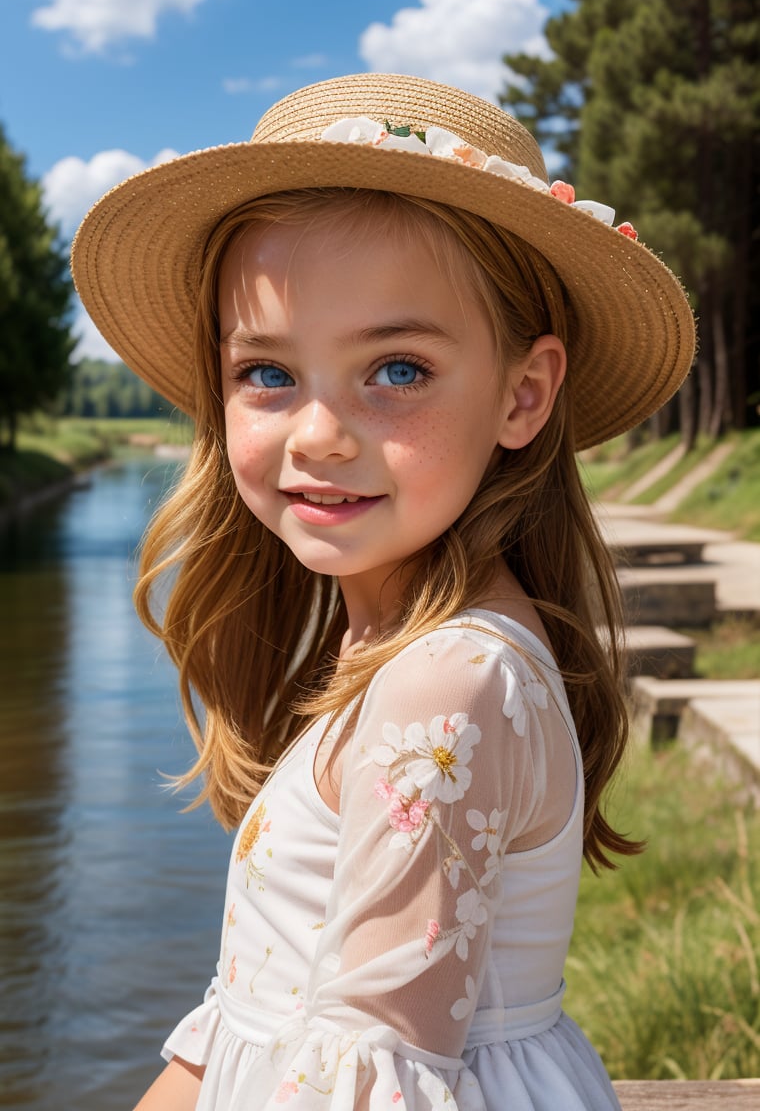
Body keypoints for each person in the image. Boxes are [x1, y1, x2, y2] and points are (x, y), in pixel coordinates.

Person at [71, 73, 694, 1111]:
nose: (318, 433)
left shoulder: (445, 684)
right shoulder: (414, 657)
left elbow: (360, 1082)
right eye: (268, 372)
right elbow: (246, 1014)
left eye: (397, 369)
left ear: (522, 393)